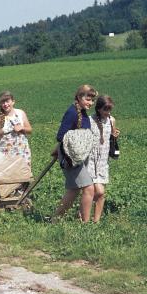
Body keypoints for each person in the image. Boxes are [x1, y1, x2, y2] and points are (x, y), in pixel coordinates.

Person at [53, 84, 98, 223]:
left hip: (79, 155)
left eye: (92, 100)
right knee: (89, 188)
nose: (90, 103)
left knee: (73, 190)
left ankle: (55, 219)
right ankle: (85, 224)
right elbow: (61, 135)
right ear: (79, 97)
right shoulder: (72, 112)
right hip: (70, 157)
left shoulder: (83, 113)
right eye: (87, 99)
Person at [87, 95, 120, 223]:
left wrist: (115, 135)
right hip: (90, 159)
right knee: (95, 191)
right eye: (106, 109)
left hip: (103, 160)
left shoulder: (112, 120)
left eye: (110, 109)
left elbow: (112, 136)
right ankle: (83, 216)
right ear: (99, 108)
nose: (108, 112)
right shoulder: (90, 120)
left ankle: (96, 221)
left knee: (100, 193)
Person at [0, 91, 32, 166]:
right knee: (6, 175)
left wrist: (22, 128)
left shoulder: (20, 113)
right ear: (0, 104)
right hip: (5, 152)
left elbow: (30, 130)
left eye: (7, 101)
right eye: (3, 102)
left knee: (23, 174)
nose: (5, 104)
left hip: (22, 152)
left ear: (13, 102)